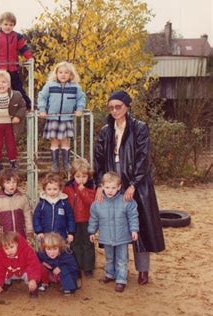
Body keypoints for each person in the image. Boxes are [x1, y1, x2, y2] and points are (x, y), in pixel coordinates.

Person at [94, 90, 165, 285]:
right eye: (111, 107)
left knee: (141, 226)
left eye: (119, 106)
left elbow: (143, 157)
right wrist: (100, 184)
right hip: (112, 183)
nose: (115, 111)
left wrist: (134, 183)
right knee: (115, 225)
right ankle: (116, 271)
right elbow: (98, 159)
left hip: (137, 184)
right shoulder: (105, 131)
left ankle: (143, 270)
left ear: (127, 106)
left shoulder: (139, 128)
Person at [88, 172, 139, 292]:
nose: (110, 191)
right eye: (107, 188)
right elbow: (94, 218)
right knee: (109, 257)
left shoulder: (126, 201)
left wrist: (134, 230)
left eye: (113, 188)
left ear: (119, 187)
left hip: (122, 236)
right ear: (102, 187)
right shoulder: (97, 203)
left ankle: (121, 279)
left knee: (122, 259)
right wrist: (92, 232)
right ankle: (110, 274)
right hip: (106, 236)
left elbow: (133, 216)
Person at [37, 61, 87, 172]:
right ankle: (54, 163)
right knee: (54, 141)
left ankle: (66, 162)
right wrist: (42, 109)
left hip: (66, 118)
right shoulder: (50, 85)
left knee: (65, 141)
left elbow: (81, 98)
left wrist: (79, 109)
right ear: (56, 74)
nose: (63, 75)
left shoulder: (75, 87)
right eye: (60, 72)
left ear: (71, 75)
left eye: (66, 72)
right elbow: (42, 97)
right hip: (53, 117)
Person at [0, 11, 33, 109]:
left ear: (14, 25)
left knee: (18, 88)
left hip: (13, 68)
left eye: (11, 25)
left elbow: (23, 48)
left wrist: (29, 57)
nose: (8, 27)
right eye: (5, 24)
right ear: (0, 24)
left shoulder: (17, 37)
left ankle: (27, 105)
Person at [63, 158, 97, 277]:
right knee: (75, 243)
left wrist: (83, 192)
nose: (81, 179)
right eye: (78, 176)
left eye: (84, 176)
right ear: (73, 176)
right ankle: (76, 266)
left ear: (88, 176)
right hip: (73, 220)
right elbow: (65, 203)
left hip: (87, 219)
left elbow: (92, 203)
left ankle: (88, 267)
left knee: (88, 244)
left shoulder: (91, 186)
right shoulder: (68, 187)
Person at [0, 232, 41, 298]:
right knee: (2, 274)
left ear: (17, 244)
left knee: (29, 276)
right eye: (6, 248)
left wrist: (33, 279)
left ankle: (32, 288)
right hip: (9, 272)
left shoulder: (27, 250)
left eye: (12, 247)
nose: (9, 250)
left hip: (23, 271)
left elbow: (33, 265)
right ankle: (5, 283)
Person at [0, 169, 33, 239]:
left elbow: (27, 214)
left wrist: (29, 229)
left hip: (20, 233)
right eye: (8, 183)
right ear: (3, 184)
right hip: (4, 234)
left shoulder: (22, 198)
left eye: (14, 182)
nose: (11, 185)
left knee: (21, 248)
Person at [33, 173, 75, 243]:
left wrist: (71, 232)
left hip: (61, 235)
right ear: (44, 189)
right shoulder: (42, 204)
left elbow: (70, 218)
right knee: (46, 252)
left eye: (55, 189)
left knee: (61, 252)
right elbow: (36, 218)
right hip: (45, 235)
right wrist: (39, 231)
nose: (52, 192)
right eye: (49, 189)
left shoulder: (64, 203)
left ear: (60, 189)